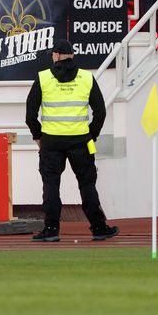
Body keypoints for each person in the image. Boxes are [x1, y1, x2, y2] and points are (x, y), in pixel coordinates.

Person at [24, 39, 118, 243]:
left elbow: (30, 113)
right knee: (87, 184)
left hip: (51, 142)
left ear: (56, 56)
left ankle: (51, 229)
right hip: (80, 141)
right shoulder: (87, 78)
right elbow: (100, 112)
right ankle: (99, 228)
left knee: (50, 185)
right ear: (72, 56)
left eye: (52, 55)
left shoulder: (43, 78)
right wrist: (90, 135)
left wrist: (38, 136)